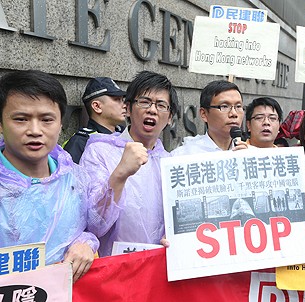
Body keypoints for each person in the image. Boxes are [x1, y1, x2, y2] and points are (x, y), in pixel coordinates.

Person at [0, 70, 99, 281]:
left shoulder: (74, 179)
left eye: (46, 119)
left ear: (61, 124)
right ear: (1, 124)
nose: (35, 130)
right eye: (21, 119)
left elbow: (87, 228)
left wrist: (85, 243)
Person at [80, 71, 179, 256]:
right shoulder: (100, 151)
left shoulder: (171, 164)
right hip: (116, 269)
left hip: (159, 268)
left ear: (170, 117)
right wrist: (120, 174)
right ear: (127, 108)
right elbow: (94, 225)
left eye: (161, 105)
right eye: (144, 102)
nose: (152, 110)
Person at [171, 80, 247, 156]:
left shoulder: (249, 154)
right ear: (204, 114)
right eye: (224, 106)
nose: (234, 113)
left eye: (238, 106)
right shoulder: (184, 155)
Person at [63, 77, 126, 163]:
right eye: (117, 100)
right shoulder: (81, 142)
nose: (124, 105)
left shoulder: (126, 134)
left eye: (123, 100)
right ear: (97, 106)